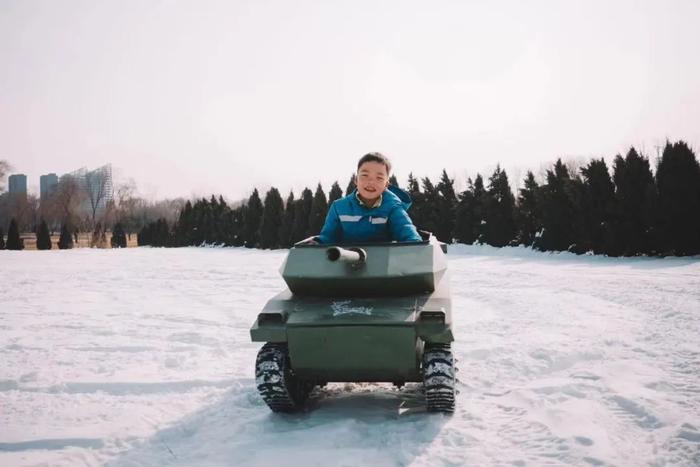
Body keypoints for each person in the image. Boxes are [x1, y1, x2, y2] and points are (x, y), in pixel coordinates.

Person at [315, 152, 422, 244]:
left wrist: (414, 243)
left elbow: (406, 231)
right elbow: (327, 237)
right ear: (356, 180)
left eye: (379, 178)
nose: (371, 182)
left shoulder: (393, 208)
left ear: (386, 185)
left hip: (384, 265)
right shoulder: (338, 208)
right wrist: (317, 243)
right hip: (346, 263)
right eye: (365, 175)